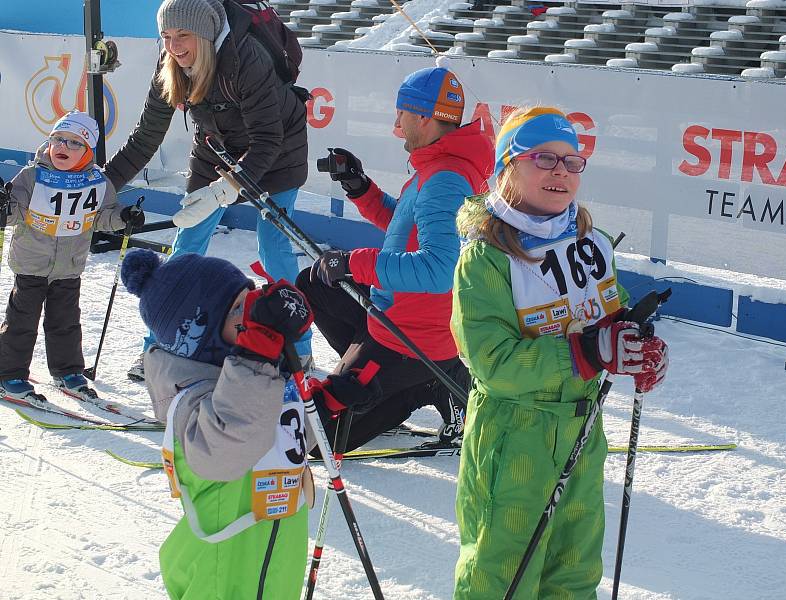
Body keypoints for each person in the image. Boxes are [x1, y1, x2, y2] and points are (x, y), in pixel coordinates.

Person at [450, 107, 669, 598]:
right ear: (509, 167)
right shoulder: (486, 256)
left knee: (574, 571)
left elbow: (608, 312)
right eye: (544, 158)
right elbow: (492, 360)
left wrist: (635, 343)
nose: (560, 173)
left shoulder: (590, 241)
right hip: (514, 435)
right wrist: (590, 351)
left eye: (572, 162)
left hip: (583, 427)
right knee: (501, 574)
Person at [119, 248, 378, 599]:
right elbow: (230, 446)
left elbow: (277, 442)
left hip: (275, 556)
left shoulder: (251, 372)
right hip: (225, 572)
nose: (252, 315)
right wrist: (255, 353)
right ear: (200, 334)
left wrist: (321, 404)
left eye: (250, 298)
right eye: (238, 310)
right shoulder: (188, 396)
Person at [104, 0, 311, 381]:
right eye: (166, 36)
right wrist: (101, 187)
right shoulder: (170, 65)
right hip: (216, 148)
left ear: (206, 32)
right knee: (186, 244)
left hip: (279, 151)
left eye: (183, 35)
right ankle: (159, 343)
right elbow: (146, 136)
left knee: (274, 248)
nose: (174, 46)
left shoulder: (244, 58)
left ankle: (300, 351)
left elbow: (268, 138)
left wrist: (224, 190)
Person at [295, 66, 493, 451]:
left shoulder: (446, 180)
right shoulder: (440, 166)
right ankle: (387, 375)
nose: (397, 123)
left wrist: (355, 262)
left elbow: (439, 270)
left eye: (402, 112)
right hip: (395, 313)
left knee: (314, 440)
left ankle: (423, 384)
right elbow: (406, 225)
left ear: (423, 116)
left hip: (412, 335)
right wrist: (360, 188)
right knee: (315, 283)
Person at [0, 111, 144, 403]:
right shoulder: (32, 176)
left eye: (74, 143)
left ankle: (68, 371)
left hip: (69, 267)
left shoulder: (97, 182)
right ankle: (9, 374)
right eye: (58, 139)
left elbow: (103, 216)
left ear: (88, 150)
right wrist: (3, 207)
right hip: (31, 263)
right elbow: (14, 212)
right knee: (22, 321)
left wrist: (124, 217)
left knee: (65, 321)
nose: (63, 147)